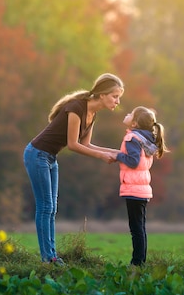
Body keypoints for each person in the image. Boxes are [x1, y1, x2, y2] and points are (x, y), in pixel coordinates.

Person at [23, 73, 124, 265]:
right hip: (36, 155)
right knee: (46, 207)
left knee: (52, 209)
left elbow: (88, 144)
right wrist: (102, 157)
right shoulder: (77, 108)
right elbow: (73, 145)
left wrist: (118, 153)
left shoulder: (92, 114)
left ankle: (51, 255)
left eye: (119, 97)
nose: (117, 101)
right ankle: (48, 258)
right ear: (102, 95)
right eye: (115, 96)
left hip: (50, 158)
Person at [112, 106, 168, 267]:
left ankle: (137, 262)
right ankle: (140, 260)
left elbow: (133, 161)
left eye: (130, 113)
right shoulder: (146, 139)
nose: (127, 114)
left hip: (133, 189)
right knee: (140, 228)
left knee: (136, 229)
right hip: (142, 189)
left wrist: (117, 156)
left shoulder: (132, 139)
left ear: (135, 123)